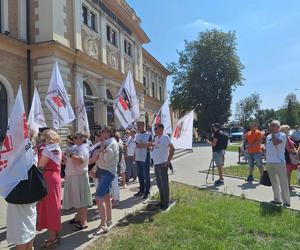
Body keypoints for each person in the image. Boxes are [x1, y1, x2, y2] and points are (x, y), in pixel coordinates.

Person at [6, 129, 37, 250]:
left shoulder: (20, 152)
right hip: (29, 193)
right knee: (29, 226)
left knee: (21, 230)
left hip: (19, 195)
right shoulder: (31, 150)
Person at [37, 129, 62, 248]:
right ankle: (55, 234)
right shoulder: (57, 148)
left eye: (44, 139)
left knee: (50, 208)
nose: (43, 141)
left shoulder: (48, 149)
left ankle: (52, 239)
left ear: (48, 138)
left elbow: (40, 166)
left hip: (48, 179)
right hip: (55, 177)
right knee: (55, 206)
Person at [63, 132, 92, 231]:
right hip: (73, 175)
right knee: (77, 199)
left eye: (76, 137)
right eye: (74, 137)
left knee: (81, 199)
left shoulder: (83, 148)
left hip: (79, 176)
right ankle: (79, 217)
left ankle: (83, 222)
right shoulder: (77, 147)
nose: (74, 139)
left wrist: (70, 155)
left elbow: (80, 161)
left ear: (82, 139)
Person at [94, 127, 119, 235]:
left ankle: (103, 225)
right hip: (102, 170)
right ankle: (108, 220)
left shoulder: (112, 143)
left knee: (98, 198)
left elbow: (106, 159)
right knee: (106, 197)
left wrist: (102, 149)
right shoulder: (106, 142)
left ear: (108, 133)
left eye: (103, 132)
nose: (101, 133)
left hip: (107, 172)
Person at [265, 120, 290, 206]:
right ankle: (277, 199)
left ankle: (286, 201)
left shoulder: (282, 135)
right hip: (269, 162)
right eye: (270, 126)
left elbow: (275, 142)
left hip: (279, 162)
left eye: (273, 126)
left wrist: (272, 134)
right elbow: (268, 148)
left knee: (283, 182)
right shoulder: (268, 137)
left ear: (278, 127)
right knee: (274, 182)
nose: (270, 127)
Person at [151, 123, 175, 210]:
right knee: (159, 184)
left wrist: (168, 161)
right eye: (154, 128)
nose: (155, 130)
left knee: (164, 184)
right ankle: (162, 201)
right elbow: (156, 148)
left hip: (162, 164)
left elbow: (172, 149)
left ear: (161, 129)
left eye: (156, 128)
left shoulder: (165, 137)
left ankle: (166, 203)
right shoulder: (156, 138)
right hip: (156, 164)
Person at [134, 121, 152, 199]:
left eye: (139, 125)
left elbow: (150, 144)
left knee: (146, 175)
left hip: (145, 157)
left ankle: (147, 191)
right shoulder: (137, 135)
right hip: (138, 157)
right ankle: (141, 190)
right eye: (137, 126)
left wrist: (141, 145)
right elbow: (136, 144)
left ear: (143, 125)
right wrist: (143, 145)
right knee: (140, 175)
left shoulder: (148, 134)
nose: (137, 127)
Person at [280, 125, 298, 191]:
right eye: (287, 129)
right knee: (287, 172)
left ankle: (288, 185)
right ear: (284, 130)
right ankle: (286, 186)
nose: (288, 130)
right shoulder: (284, 138)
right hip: (287, 157)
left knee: (289, 173)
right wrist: (295, 153)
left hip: (290, 156)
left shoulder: (287, 137)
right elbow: (287, 148)